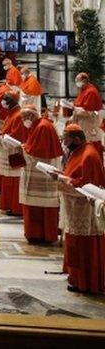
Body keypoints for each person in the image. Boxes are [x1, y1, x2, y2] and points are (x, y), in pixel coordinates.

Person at [51, 124, 105, 294]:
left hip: (84, 210)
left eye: (66, 138)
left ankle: (85, 281)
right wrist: (61, 175)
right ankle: (75, 277)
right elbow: (76, 177)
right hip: (75, 208)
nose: (63, 141)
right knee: (74, 244)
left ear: (76, 138)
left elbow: (85, 186)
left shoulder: (88, 155)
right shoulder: (80, 150)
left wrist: (60, 179)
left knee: (82, 246)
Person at [19, 106, 62, 243]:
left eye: (24, 118)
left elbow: (37, 152)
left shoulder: (42, 127)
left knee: (41, 205)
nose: (23, 121)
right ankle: (36, 233)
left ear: (31, 116)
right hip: (39, 171)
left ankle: (40, 234)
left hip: (41, 172)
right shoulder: (39, 125)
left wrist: (23, 149)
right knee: (36, 205)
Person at [0, 90, 27, 216]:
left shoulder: (18, 115)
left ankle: (15, 207)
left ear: (11, 101)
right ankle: (9, 205)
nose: (3, 102)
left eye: (5, 99)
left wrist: (3, 137)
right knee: (8, 180)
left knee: (14, 180)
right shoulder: (12, 112)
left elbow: (17, 135)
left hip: (14, 150)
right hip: (7, 149)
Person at [73, 73, 103, 155]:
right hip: (83, 121)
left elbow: (88, 111)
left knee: (90, 141)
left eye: (77, 80)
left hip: (89, 122)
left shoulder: (91, 91)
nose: (76, 82)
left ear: (84, 80)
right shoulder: (83, 89)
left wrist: (75, 110)